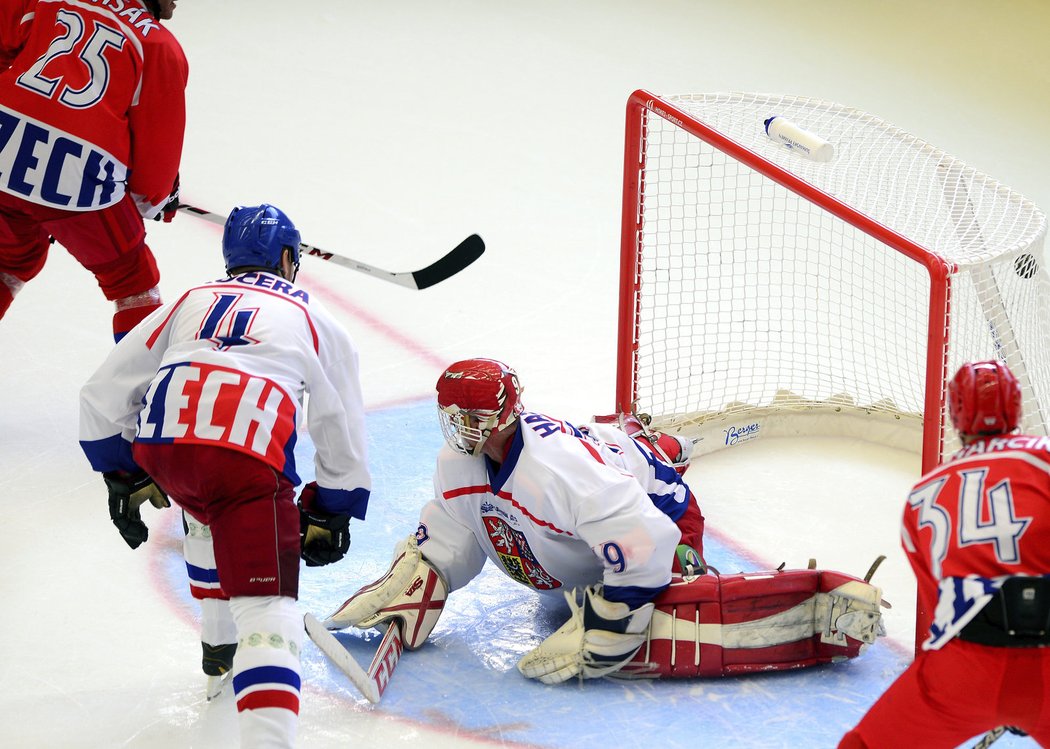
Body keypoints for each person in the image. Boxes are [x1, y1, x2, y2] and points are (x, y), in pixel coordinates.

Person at [323, 358, 886, 684]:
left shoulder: (561, 472)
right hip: (591, 511)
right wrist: (423, 574)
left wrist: (617, 620)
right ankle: (637, 441)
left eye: (474, 417)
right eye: (452, 417)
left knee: (671, 610)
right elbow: (458, 526)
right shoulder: (459, 465)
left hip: (662, 511)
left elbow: (645, 538)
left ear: (507, 413)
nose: (461, 430)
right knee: (625, 453)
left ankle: (792, 614)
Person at [79, 204, 371, 748]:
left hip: (162, 449)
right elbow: (339, 425)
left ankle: (218, 649)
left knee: (205, 508)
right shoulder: (316, 318)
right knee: (268, 607)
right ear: (288, 257)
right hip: (243, 459)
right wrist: (332, 506)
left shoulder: (191, 300)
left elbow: (101, 394)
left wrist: (118, 470)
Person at [839, 360, 1050, 748]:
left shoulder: (922, 496)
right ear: (1017, 407)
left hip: (963, 671)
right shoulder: (1043, 459)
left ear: (955, 415)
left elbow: (942, 610)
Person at [0, 0, 187, 341]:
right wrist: (153, 200)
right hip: (77, 176)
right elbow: (157, 152)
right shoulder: (159, 45)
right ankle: (142, 391)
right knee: (133, 281)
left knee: (9, 260)